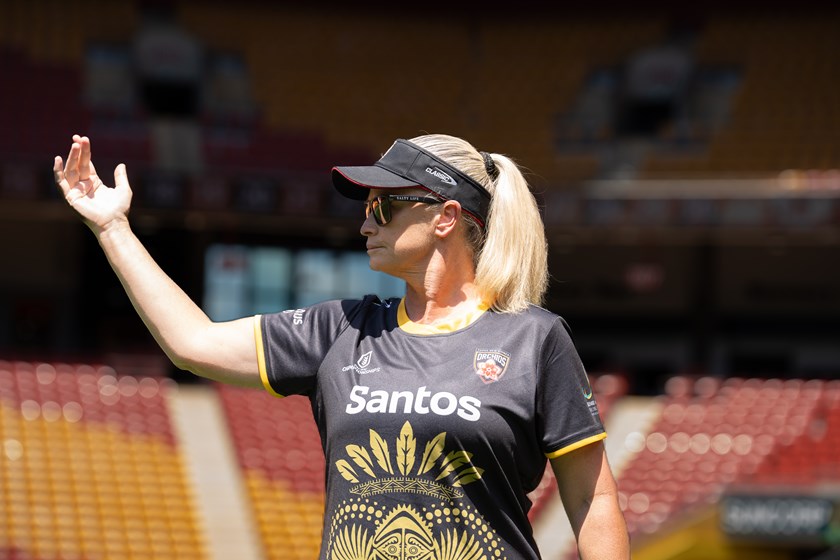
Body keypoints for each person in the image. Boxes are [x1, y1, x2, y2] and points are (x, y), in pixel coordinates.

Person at [54, 133, 630, 559]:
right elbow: (192, 342)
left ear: (446, 216)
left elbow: (591, 500)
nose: (365, 224)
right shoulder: (339, 330)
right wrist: (113, 230)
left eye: (382, 205)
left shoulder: (534, 338)